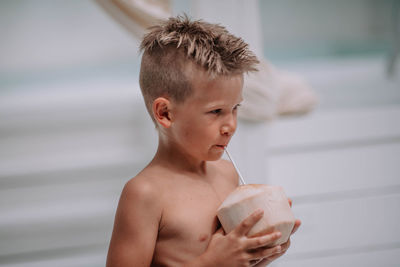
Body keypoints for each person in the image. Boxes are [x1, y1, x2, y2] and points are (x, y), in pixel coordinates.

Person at [106, 15, 301, 267]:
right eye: (216, 112)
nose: (231, 125)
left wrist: (258, 254)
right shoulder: (145, 194)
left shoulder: (227, 174)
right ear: (165, 113)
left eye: (235, 108)